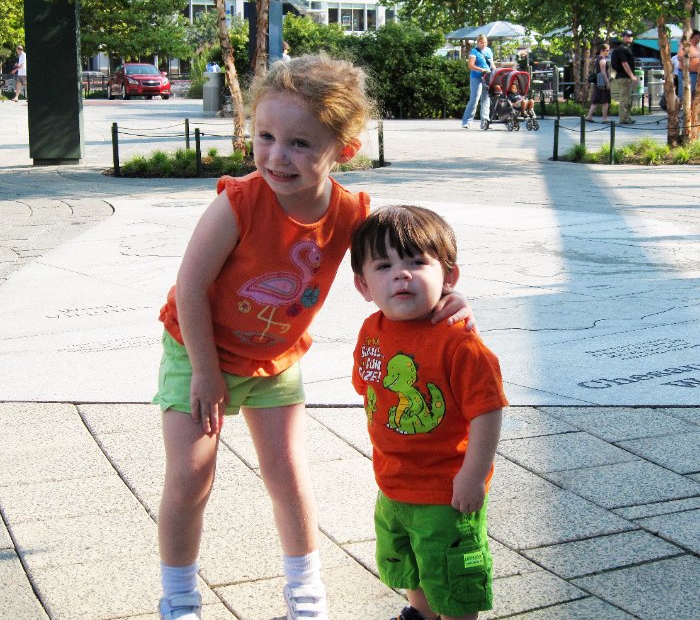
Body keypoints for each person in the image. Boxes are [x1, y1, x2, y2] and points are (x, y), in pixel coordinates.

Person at [152, 55, 474, 620]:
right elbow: (191, 285)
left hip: (274, 359)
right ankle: (179, 602)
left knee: (287, 471)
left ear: (343, 149)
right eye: (266, 136)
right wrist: (205, 371)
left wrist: (443, 299)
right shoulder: (238, 204)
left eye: (301, 144)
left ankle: (306, 598)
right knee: (190, 474)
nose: (278, 156)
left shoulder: (353, 213)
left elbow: (398, 262)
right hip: (198, 349)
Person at [351, 206, 508, 620]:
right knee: (410, 565)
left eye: (417, 262)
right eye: (383, 266)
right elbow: (372, 392)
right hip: (392, 485)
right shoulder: (372, 331)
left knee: (453, 580)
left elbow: (487, 411)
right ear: (363, 285)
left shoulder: (459, 344)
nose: (401, 274)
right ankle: (419, 614)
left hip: (447, 494)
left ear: (449, 277)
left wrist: (472, 476)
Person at [461, 35, 494, 130]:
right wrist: (481, 70)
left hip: (487, 77)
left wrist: (496, 73)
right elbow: (470, 65)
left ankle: (485, 122)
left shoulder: (489, 51)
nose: (483, 44)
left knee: (486, 100)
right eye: (481, 42)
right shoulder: (474, 51)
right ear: (477, 42)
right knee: (474, 99)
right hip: (476, 77)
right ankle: (467, 121)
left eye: (485, 42)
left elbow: (492, 64)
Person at [611, 30, 638, 124]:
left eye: (631, 35)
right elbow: (624, 63)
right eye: (628, 35)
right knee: (625, 98)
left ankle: (626, 117)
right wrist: (632, 76)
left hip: (624, 76)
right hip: (624, 77)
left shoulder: (625, 48)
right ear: (623, 37)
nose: (630, 37)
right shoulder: (622, 49)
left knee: (627, 98)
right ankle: (624, 119)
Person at [585, 43, 611, 123]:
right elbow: (603, 72)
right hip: (602, 82)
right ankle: (605, 118)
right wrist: (607, 82)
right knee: (606, 100)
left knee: (596, 100)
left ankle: (589, 116)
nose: (608, 52)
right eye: (607, 50)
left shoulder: (598, 59)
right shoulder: (602, 60)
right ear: (602, 50)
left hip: (598, 82)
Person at [675, 29, 700, 102]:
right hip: (686, 73)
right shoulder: (685, 45)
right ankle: (677, 111)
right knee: (683, 94)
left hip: (695, 74)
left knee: (691, 94)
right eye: (698, 36)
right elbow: (679, 57)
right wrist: (693, 56)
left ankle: (689, 112)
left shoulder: (697, 48)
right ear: (694, 36)